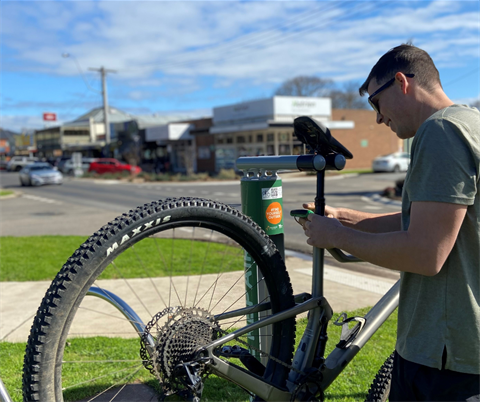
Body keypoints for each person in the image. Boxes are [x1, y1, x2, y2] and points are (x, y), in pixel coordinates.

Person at [300, 44, 480, 401]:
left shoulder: (440, 131)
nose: (378, 119)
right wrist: (348, 218)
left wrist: (334, 235)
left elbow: (426, 252)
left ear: (401, 82)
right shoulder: (469, 123)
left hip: (443, 360)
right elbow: (435, 220)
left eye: (375, 102)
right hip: (455, 350)